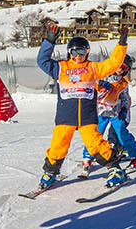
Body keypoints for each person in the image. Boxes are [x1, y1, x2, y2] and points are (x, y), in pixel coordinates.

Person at [35, 23, 130, 190]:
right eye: (74, 51)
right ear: (69, 52)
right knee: (58, 144)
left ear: (87, 52)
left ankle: (115, 169)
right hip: (66, 116)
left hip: (86, 117)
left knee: (95, 144)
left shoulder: (93, 68)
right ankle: (50, 172)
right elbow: (42, 61)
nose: (77, 55)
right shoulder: (60, 67)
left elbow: (114, 63)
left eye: (81, 52)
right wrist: (49, 42)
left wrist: (122, 42)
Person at [80, 55, 136, 175]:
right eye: (120, 66)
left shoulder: (123, 83)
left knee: (122, 135)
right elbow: (88, 81)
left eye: (124, 68)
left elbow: (125, 99)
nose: (121, 70)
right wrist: (100, 82)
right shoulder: (102, 75)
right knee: (94, 135)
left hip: (115, 113)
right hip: (100, 112)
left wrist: (124, 111)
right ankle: (88, 157)